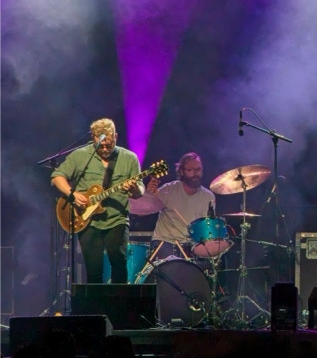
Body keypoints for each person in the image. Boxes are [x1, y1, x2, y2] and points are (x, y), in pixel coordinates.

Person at [51, 118, 143, 283]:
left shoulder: (129, 158)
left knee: (119, 263)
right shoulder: (80, 156)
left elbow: (140, 191)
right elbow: (57, 177)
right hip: (87, 221)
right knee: (93, 270)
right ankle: (95, 300)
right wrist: (72, 194)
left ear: (116, 136)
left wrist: (134, 188)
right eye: (101, 146)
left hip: (117, 218)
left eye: (109, 144)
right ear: (93, 138)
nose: (105, 149)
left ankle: (119, 300)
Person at [135, 152, 218, 262]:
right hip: (165, 242)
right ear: (182, 171)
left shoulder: (208, 197)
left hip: (191, 245)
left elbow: (207, 230)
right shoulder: (169, 190)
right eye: (190, 170)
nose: (195, 173)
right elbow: (145, 209)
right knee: (173, 268)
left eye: (198, 169)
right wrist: (149, 194)